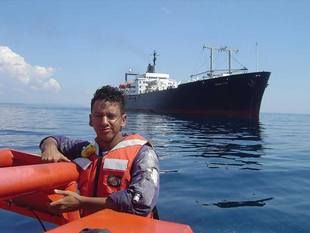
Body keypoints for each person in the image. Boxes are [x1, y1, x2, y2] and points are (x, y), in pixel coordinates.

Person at [40, 85, 159, 218]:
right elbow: (55, 139)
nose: (104, 122)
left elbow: (142, 202)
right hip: (89, 227)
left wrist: (82, 202)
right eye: (98, 116)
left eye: (111, 116)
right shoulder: (86, 149)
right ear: (91, 120)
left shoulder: (143, 153)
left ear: (123, 120)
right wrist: (49, 147)